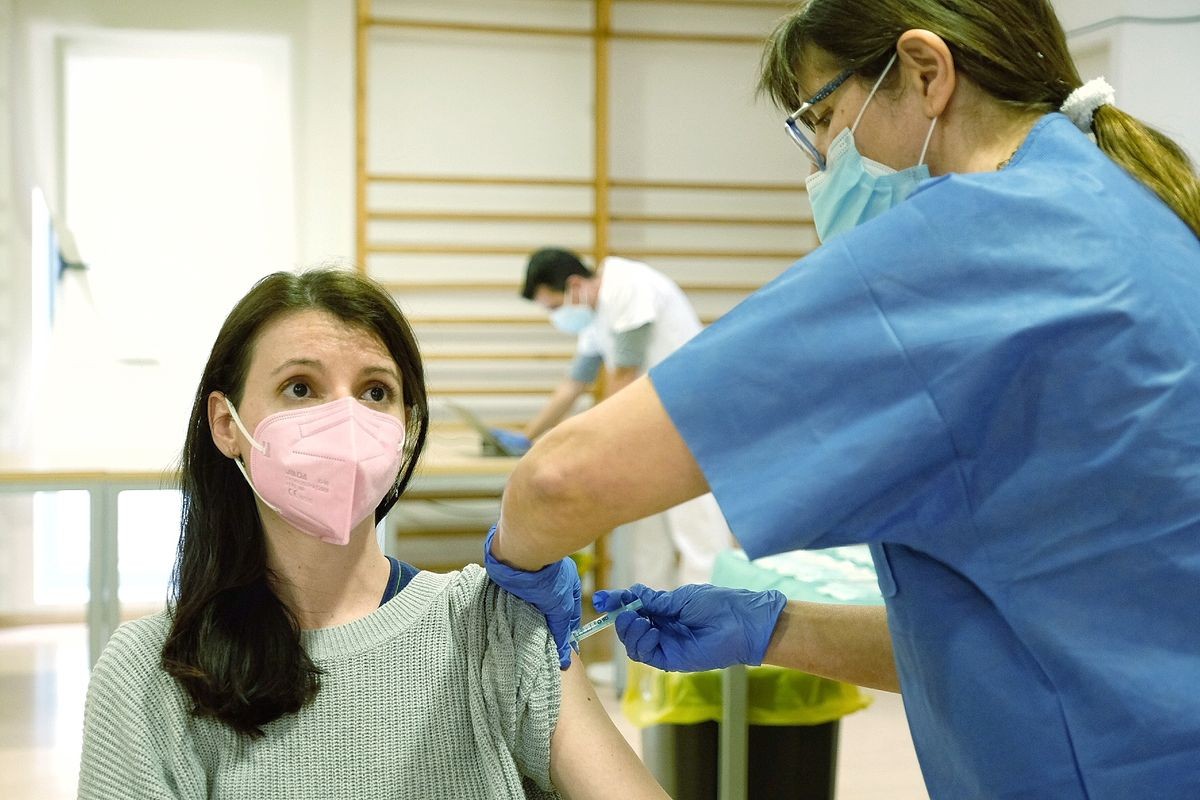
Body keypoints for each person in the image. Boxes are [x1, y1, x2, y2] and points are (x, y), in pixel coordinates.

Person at [484, 1, 1200, 797]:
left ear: (926, 73)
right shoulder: (1139, 216)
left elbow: (562, 480)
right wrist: (772, 626)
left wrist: (511, 577)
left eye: (823, 117)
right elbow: (1045, 631)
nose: (822, 161)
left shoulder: (964, 243)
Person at [77, 268, 668, 800]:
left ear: (406, 428)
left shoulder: (494, 627)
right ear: (227, 424)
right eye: (301, 387)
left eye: (375, 392)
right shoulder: (147, 679)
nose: (347, 422)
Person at [502, 247, 734, 587]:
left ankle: (709, 625)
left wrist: (593, 442)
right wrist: (528, 434)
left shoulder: (627, 285)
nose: (556, 316)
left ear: (575, 285)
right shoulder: (595, 318)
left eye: (555, 306)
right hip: (654, 425)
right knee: (648, 535)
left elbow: (624, 372)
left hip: (688, 418)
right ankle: (653, 618)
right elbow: (574, 383)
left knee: (698, 535)